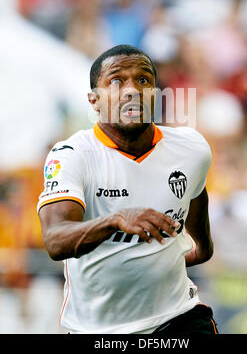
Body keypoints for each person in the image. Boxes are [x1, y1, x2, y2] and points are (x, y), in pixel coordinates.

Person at [37, 44, 218, 334]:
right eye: (117, 80)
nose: (132, 89)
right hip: (96, 330)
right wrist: (114, 221)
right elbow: (55, 241)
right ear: (94, 101)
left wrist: (202, 247)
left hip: (177, 319)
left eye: (143, 80)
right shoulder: (71, 154)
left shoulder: (191, 148)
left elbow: (195, 190)